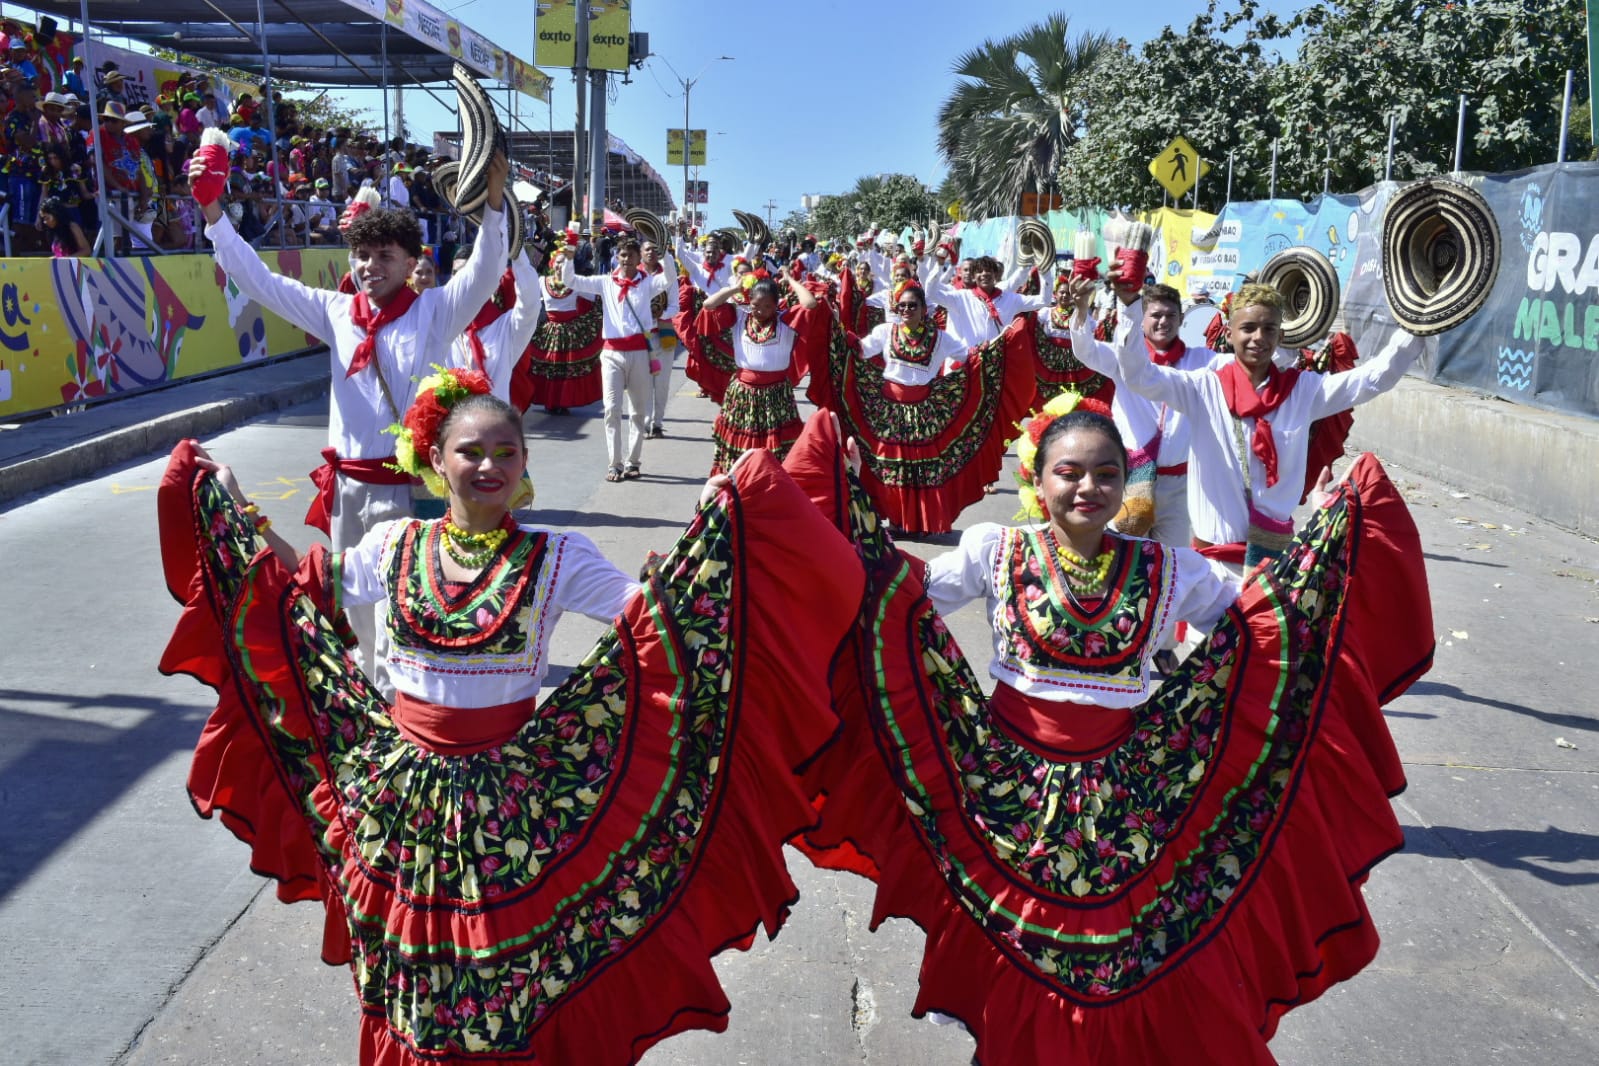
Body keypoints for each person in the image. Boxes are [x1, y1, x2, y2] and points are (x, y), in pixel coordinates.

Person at [155, 373, 864, 1066]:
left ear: (525, 462)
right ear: (436, 459)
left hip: (512, 805)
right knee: (409, 971)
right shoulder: (395, 544)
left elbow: (661, 618)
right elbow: (298, 591)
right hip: (401, 799)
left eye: (506, 452)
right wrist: (239, 511)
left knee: (502, 976)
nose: (488, 466)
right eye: (471, 451)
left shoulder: (557, 556)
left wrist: (718, 526)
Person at [793, 397, 1433, 1065]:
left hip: (1129, 801)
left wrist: (1326, 533)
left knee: (1121, 964)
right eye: (1068, 472)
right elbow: (890, 589)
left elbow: (1266, 622)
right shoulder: (996, 550)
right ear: (1037, 481)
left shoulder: (1167, 568)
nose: (1086, 488)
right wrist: (828, 491)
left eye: (1104, 473)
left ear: (1124, 482)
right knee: (1013, 953)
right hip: (1006, 796)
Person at [187, 141, 511, 694]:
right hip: (347, 493)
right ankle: (372, 714)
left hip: (405, 493)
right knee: (355, 619)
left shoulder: (436, 311)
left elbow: (485, 269)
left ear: (413, 264)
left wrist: (495, 201)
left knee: (396, 620)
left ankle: (395, 727)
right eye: (362, 255)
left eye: (385, 256)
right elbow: (262, 282)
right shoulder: (336, 312)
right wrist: (213, 213)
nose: (369, 267)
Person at [1114, 281, 1421, 570]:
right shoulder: (1202, 389)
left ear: (1280, 336)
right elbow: (1140, 376)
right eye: (1248, 328)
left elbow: (1372, 379)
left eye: (1268, 328)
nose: (1258, 337)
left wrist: (1418, 323)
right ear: (1230, 333)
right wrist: (1130, 306)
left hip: (1272, 568)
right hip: (1212, 567)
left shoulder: (1303, 391)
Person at [816, 279, 1036, 535]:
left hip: (925, 412)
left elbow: (969, 357)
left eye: (912, 306)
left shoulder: (941, 338)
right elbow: (861, 351)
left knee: (920, 469)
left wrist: (997, 345)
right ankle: (896, 521)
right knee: (892, 466)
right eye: (902, 306)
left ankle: (920, 522)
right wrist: (837, 328)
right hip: (888, 410)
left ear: (924, 310)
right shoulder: (886, 331)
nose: (906, 310)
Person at [558, 236, 677, 482]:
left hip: (639, 353)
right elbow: (570, 280)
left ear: (638, 258)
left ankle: (633, 461)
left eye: (632, 255)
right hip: (611, 353)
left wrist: (665, 252)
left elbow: (669, 279)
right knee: (611, 409)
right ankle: (614, 463)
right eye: (623, 255)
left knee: (637, 411)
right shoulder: (605, 282)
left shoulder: (647, 283)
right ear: (616, 257)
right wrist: (569, 256)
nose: (627, 260)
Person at [697, 270, 827, 474]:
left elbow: (810, 304)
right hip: (743, 393)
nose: (760, 310)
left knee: (775, 447)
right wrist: (735, 288)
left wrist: (791, 280)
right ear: (749, 302)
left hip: (776, 395)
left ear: (776, 305)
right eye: (756, 305)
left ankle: (773, 484)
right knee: (740, 446)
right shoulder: (739, 316)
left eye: (767, 306)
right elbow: (709, 305)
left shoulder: (786, 320)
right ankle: (739, 481)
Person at [639, 237, 682, 438]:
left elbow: (674, 306)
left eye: (655, 249)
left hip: (663, 335)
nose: (651, 252)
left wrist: (659, 315)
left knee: (662, 383)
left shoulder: (668, 276)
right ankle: (646, 423)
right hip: (641, 338)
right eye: (647, 249)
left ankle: (657, 423)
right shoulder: (634, 276)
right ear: (640, 253)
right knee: (644, 383)